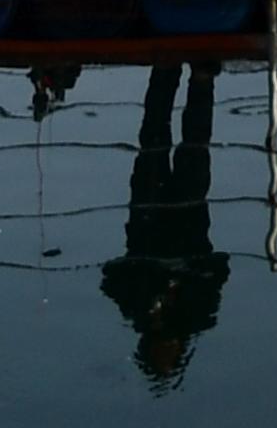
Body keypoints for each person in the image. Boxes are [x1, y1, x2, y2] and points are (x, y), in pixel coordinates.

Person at [102, 61, 230, 386]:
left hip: (149, 215)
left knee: (154, 140)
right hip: (189, 219)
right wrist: (191, 271)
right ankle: (199, 78)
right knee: (195, 144)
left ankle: (165, 70)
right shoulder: (200, 314)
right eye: (167, 353)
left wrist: (146, 280)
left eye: (160, 352)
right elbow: (221, 267)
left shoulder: (134, 309)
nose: (165, 346)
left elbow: (110, 275)